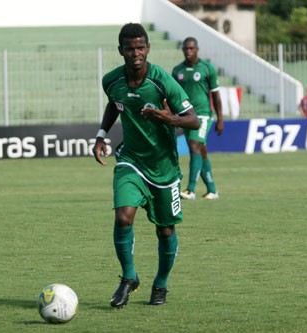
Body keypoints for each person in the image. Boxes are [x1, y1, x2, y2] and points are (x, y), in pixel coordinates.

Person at [93, 23, 200, 307]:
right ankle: (129, 277)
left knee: (165, 230)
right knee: (123, 216)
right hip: (131, 161)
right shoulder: (111, 81)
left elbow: (193, 120)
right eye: (130, 48)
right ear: (121, 51)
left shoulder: (163, 81)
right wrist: (101, 135)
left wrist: (168, 118)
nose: (136, 53)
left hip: (164, 169)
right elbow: (115, 104)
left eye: (141, 47)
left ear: (148, 48)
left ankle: (161, 284)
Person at [172, 37, 224, 200]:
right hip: (186, 116)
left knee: (194, 146)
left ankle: (190, 189)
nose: (188, 51)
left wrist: (220, 119)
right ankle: (212, 190)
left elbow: (216, 95)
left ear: (197, 49)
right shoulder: (177, 71)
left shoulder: (207, 68)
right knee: (200, 151)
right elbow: (173, 95)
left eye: (191, 48)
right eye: (185, 48)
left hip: (203, 115)